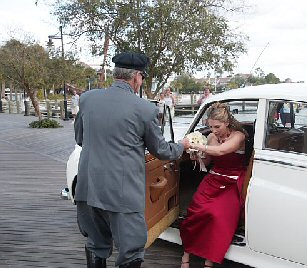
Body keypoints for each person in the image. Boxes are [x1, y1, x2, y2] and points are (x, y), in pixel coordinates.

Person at [74, 51, 190, 268]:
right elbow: (162, 151)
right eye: (142, 78)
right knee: (131, 250)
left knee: (96, 243)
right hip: (122, 193)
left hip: (88, 188)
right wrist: (181, 146)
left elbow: (80, 139)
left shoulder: (88, 99)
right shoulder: (145, 109)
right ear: (137, 76)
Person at [179, 102, 248, 268]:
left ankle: (208, 261)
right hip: (214, 178)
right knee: (195, 212)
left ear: (227, 123)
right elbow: (208, 160)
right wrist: (197, 156)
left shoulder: (239, 136)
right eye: (210, 126)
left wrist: (193, 144)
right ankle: (186, 254)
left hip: (232, 180)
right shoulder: (210, 137)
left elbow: (222, 151)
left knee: (216, 216)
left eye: (217, 126)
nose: (213, 130)